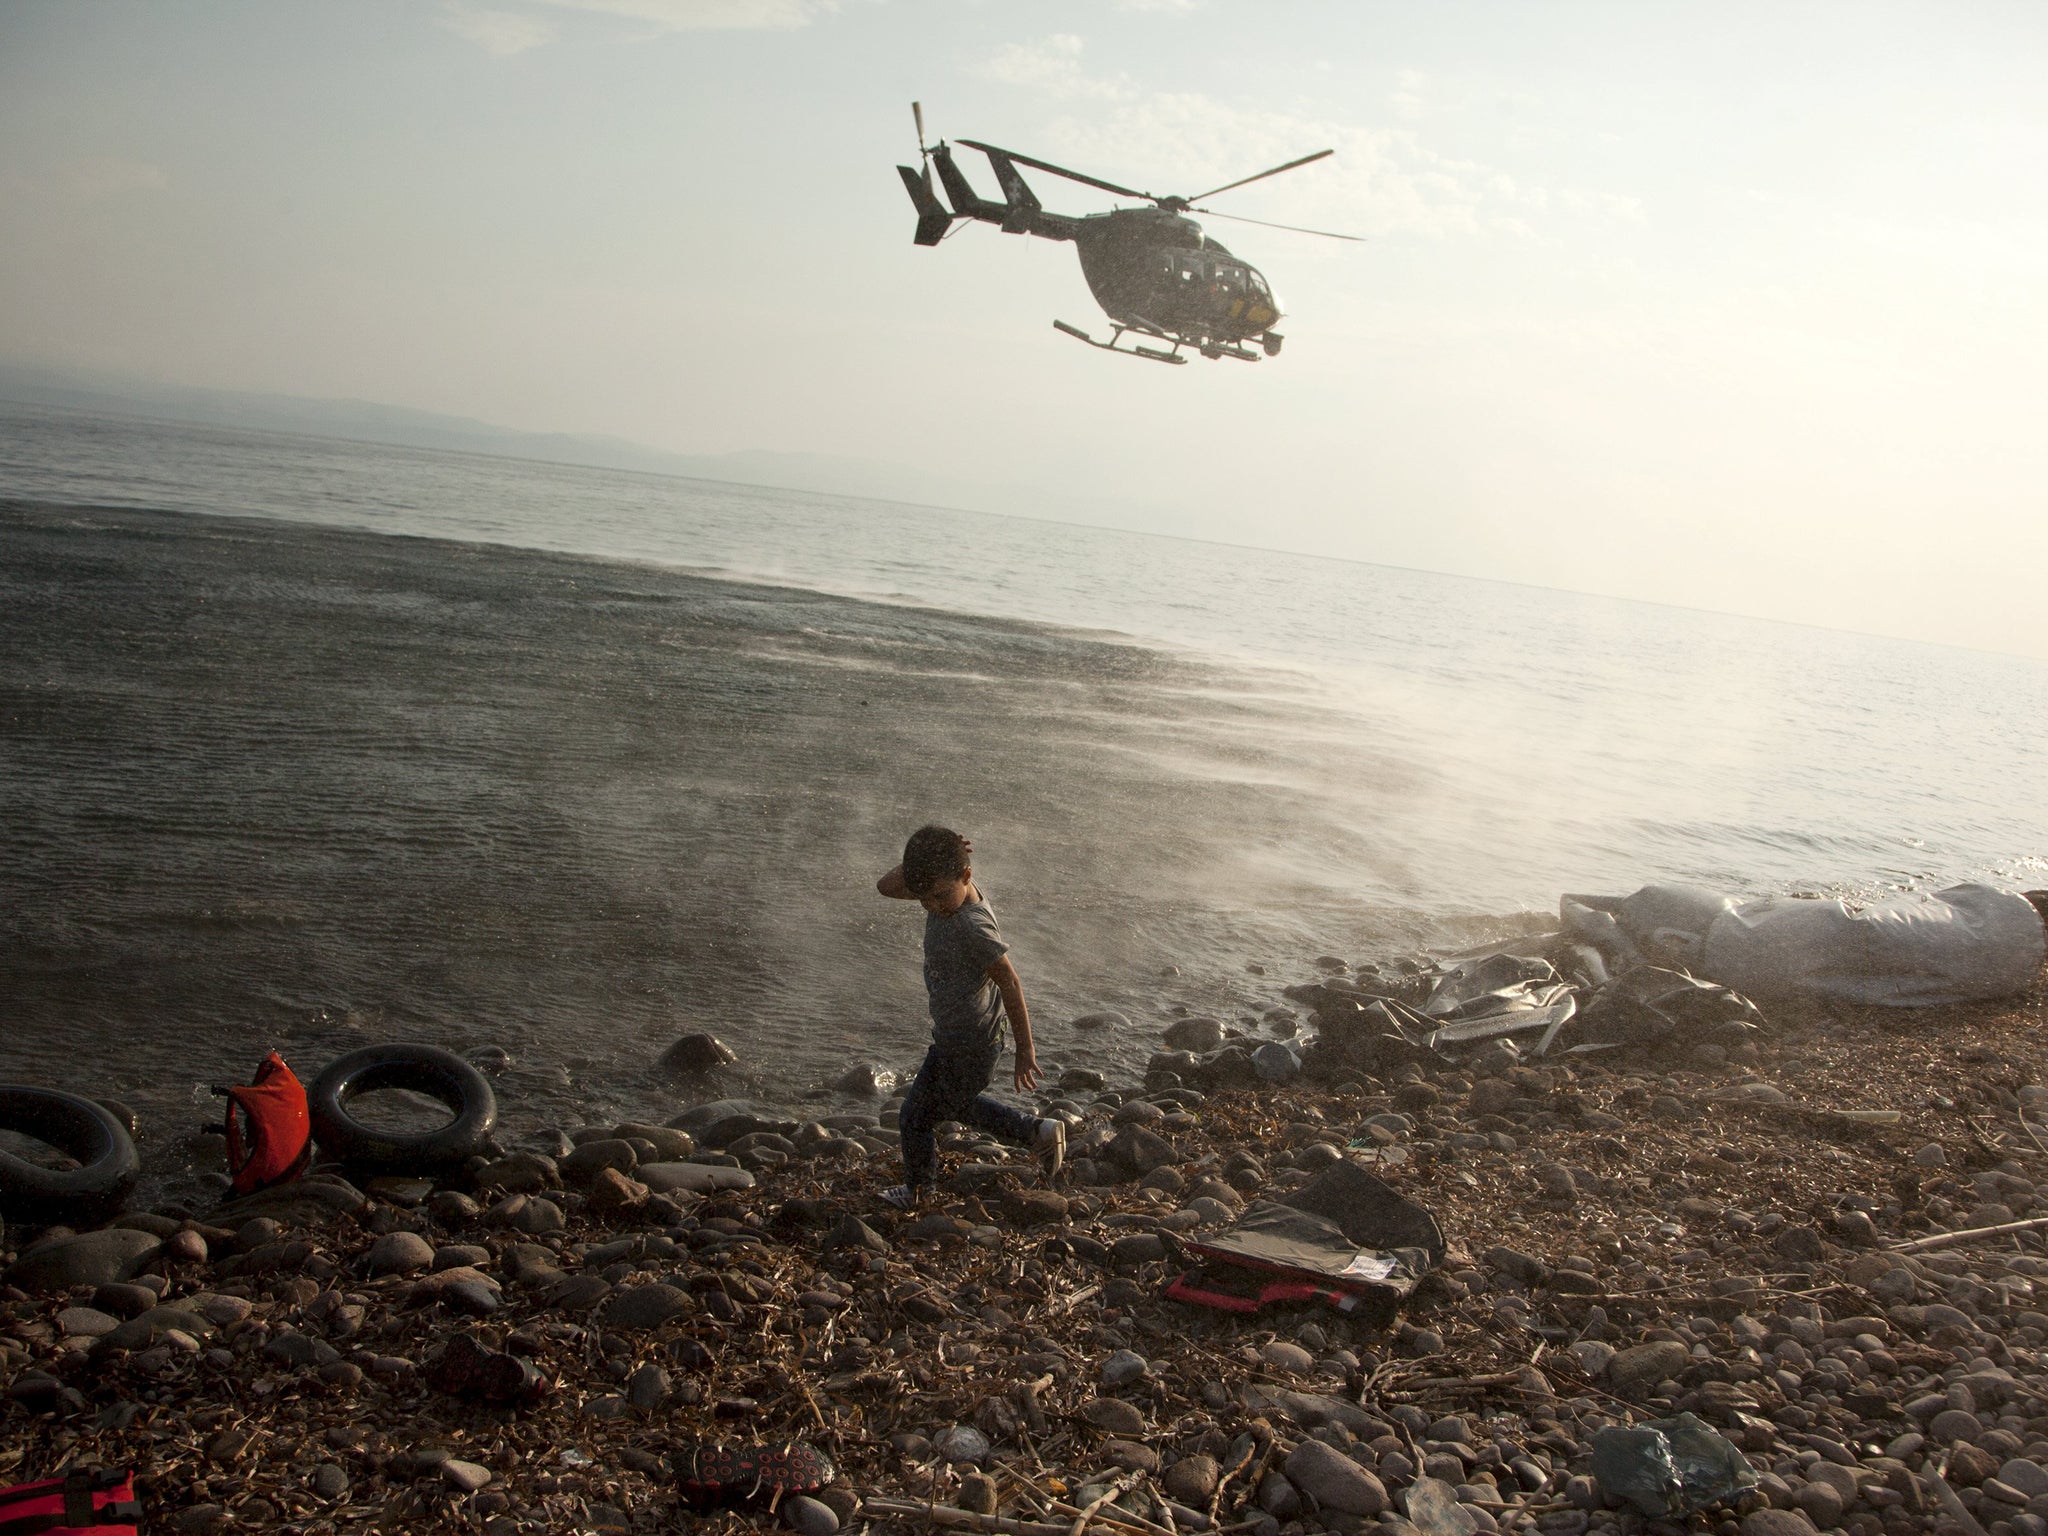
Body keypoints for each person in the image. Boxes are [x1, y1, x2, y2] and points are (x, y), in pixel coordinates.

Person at [875, 825, 1064, 1209]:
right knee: (955, 1105)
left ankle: (919, 1193)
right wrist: (923, 860)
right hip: (957, 1037)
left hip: (972, 1043)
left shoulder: (971, 924)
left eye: (940, 896)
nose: (933, 906)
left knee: (915, 1115)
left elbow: (1010, 981)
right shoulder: (943, 887)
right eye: (924, 899)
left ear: (966, 876)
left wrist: (1025, 1050)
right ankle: (1037, 1132)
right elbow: (886, 886)